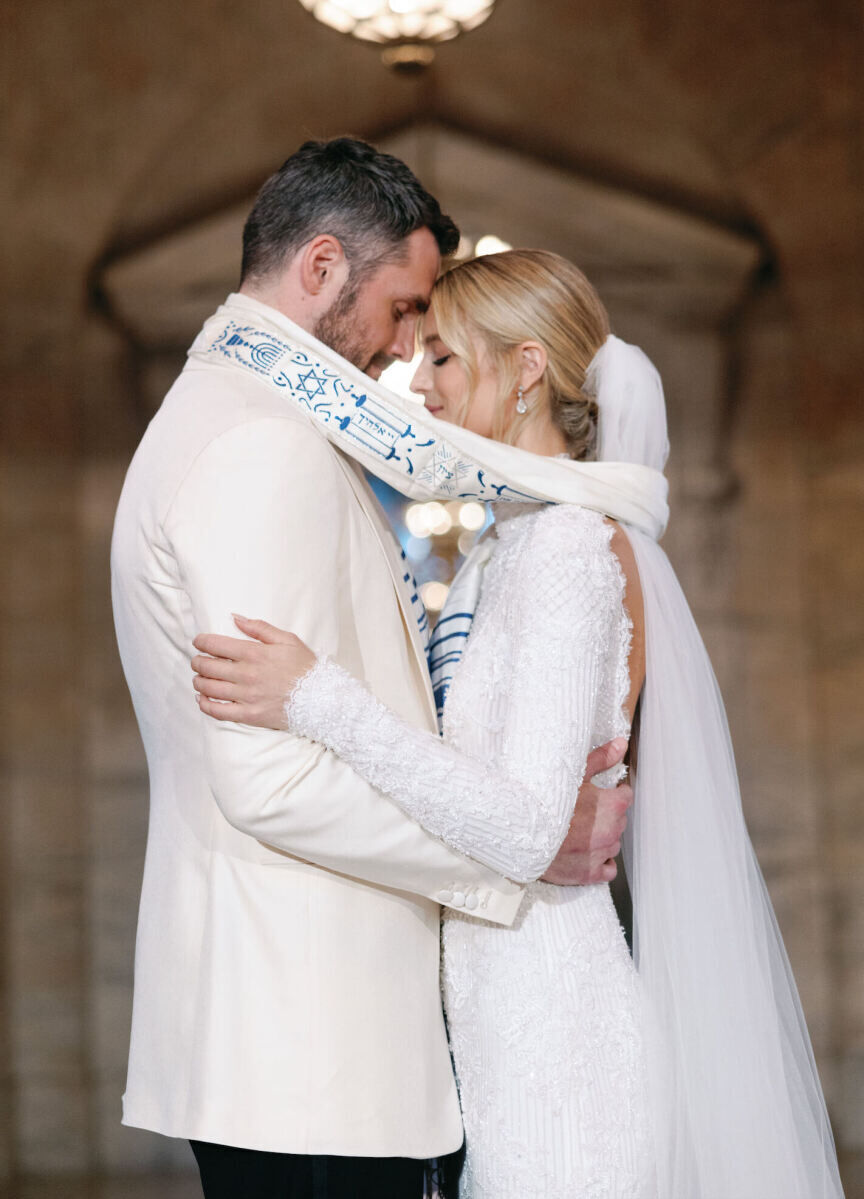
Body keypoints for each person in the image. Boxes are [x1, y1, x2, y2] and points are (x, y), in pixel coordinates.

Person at [192, 249, 846, 1199]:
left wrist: (315, 697)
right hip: (499, 1038)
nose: (422, 382)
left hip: (559, 1053)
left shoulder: (569, 554)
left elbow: (524, 825)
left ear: (527, 368)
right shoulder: (509, 544)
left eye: (446, 358)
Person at [110, 140, 636, 1199]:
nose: (404, 354)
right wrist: (515, 862)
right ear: (318, 267)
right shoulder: (263, 446)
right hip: (317, 1036)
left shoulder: (232, 417)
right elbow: (274, 779)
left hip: (305, 1037)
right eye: (402, 310)